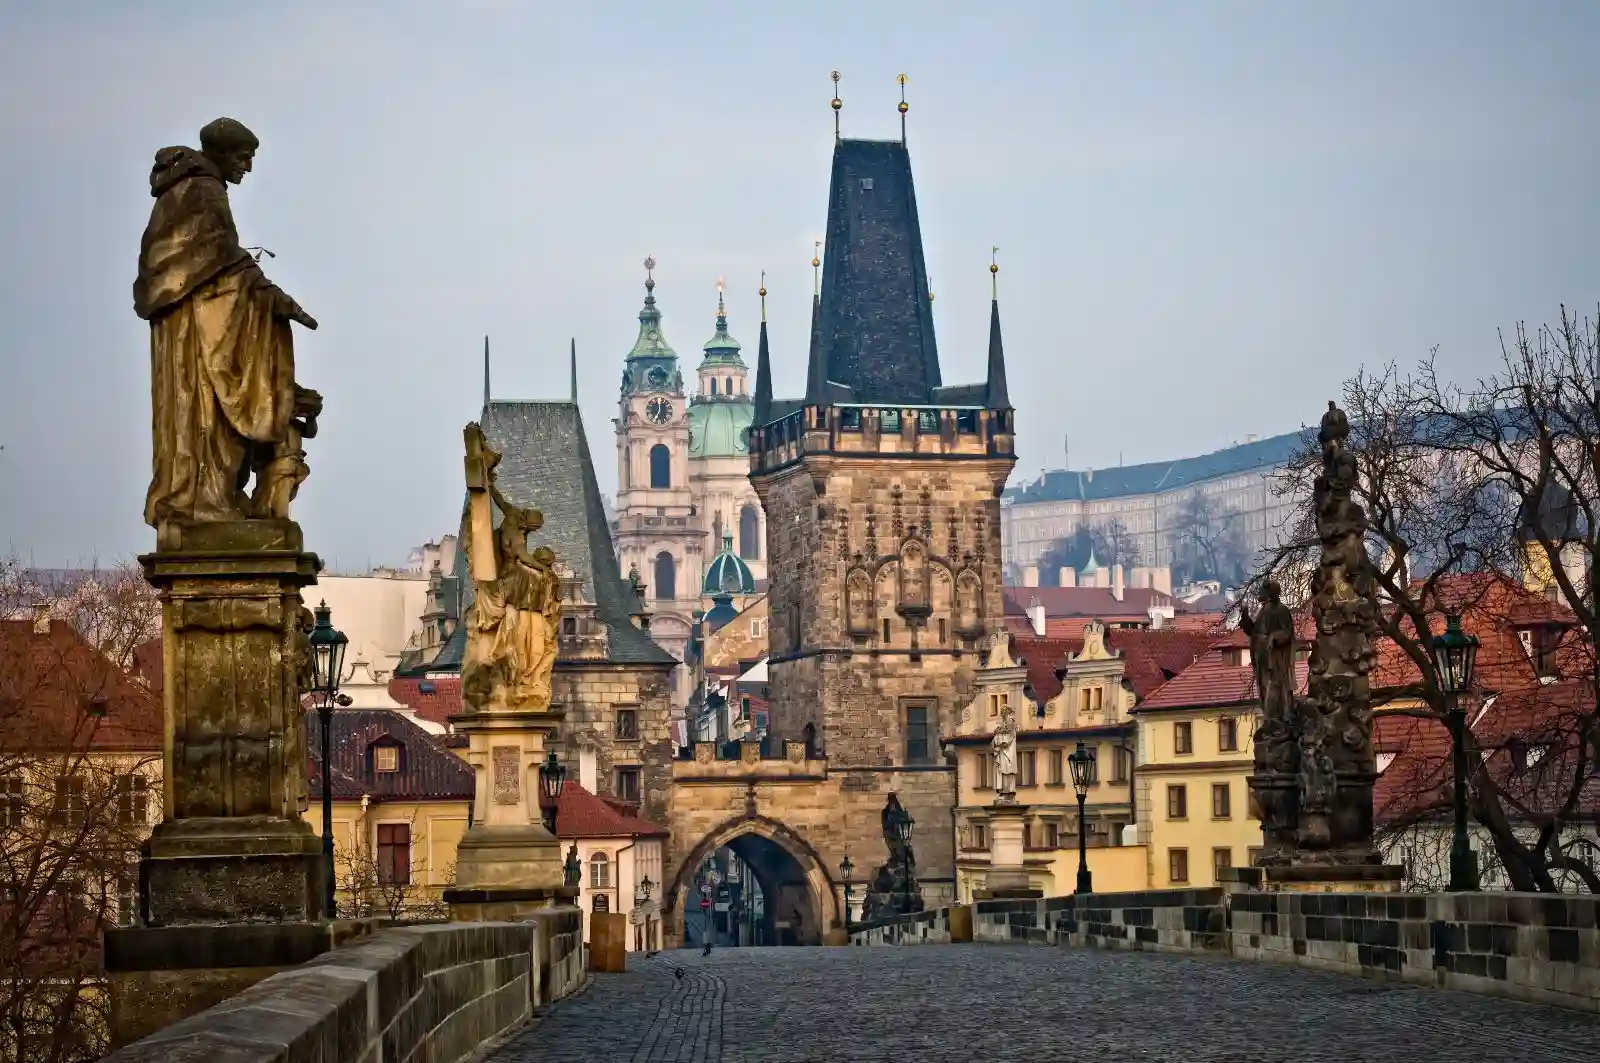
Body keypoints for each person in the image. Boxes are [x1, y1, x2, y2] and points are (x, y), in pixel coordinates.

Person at [135, 117, 319, 546]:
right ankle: (204, 500)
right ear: (220, 153)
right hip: (196, 334)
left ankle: (209, 497)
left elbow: (217, 259)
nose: (248, 168)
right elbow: (217, 259)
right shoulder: (201, 190)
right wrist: (268, 294)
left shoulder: (186, 189)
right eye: (243, 157)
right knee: (202, 415)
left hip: (193, 325)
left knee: (203, 420)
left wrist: (262, 289)